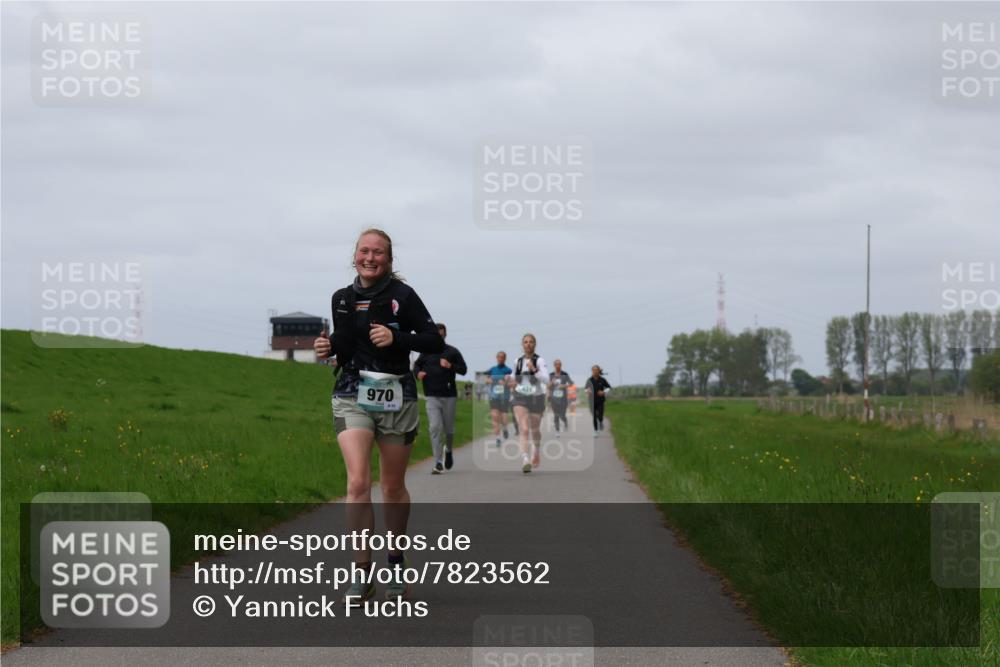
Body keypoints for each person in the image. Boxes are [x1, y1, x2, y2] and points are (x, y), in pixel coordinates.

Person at [314, 228, 444, 604]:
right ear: (354, 255)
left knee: (391, 487)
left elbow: (433, 339)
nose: (370, 258)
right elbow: (343, 343)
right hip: (351, 391)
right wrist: (327, 347)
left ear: (389, 260)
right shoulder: (341, 298)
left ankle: (396, 564)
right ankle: (360, 572)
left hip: (395, 393)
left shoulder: (403, 296)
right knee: (357, 484)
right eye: (364, 251)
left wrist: (397, 338)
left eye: (378, 253)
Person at [414, 323, 467, 473]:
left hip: (449, 395)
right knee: (434, 427)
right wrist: (417, 374)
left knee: (449, 430)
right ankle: (438, 461)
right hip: (431, 395)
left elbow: (463, 369)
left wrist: (450, 366)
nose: (439, 337)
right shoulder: (425, 352)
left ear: (445, 335)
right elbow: (417, 366)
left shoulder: (452, 352)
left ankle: (448, 450)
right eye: (437, 335)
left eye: (442, 335)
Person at [507, 333, 549, 473]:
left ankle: (536, 451)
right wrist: (510, 380)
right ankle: (525, 459)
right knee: (524, 429)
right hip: (520, 397)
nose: (528, 344)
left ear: (535, 344)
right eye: (525, 342)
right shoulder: (517, 362)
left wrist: (534, 370)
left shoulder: (540, 360)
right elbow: (513, 377)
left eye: (531, 342)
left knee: (535, 430)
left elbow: (546, 379)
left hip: (536, 397)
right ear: (522, 345)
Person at [484, 351, 513, 446]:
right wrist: (489, 380)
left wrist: (505, 383)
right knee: (495, 417)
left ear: (505, 358)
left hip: (504, 397)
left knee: (504, 418)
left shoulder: (508, 370)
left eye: (502, 357)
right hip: (494, 397)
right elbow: (485, 378)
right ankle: (498, 438)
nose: (500, 358)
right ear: (496, 358)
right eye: (499, 357)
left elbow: (513, 383)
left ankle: (505, 428)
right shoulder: (492, 369)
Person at [584, 365, 612, 435]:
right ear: (592, 371)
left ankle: (601, 421)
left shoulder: (602, 380)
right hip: (592, 401)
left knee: (600, 415)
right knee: (594, 416)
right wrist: (588, 391)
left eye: (596, 370)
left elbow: (609, 388)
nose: (595, 371)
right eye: (593, 370)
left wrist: (603, 392)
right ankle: (596, 431)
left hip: (600, 401)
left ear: (598, 371)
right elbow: (585, 389)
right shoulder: (589, 380)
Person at [548, 359, 573, 435]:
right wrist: (551, 384)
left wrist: (564, 385)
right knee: (556, 414)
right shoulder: (551, 375)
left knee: (562, 414)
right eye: (556, 364)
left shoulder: (565, 374)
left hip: (563, 398)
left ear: (561, 365)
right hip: (554, 398)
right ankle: (557, 430)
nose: (557, 366)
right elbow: (548, 386)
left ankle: (565, 421)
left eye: (559, 364)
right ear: (554, 365)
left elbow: (571, 383)